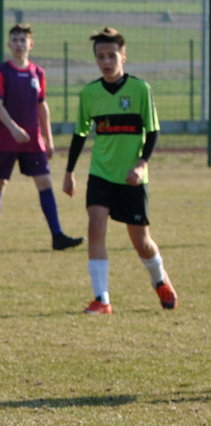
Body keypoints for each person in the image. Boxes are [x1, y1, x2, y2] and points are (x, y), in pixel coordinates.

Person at [63, 27, 175, 315]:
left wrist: (141, 164)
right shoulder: (89, 93)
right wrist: (69, 172)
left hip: (131, 178)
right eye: (101, 56)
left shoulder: (140, 89)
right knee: (95, 226)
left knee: (142, 243)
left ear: (123, 57)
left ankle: (160, 279)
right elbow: (80, 134)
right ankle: (102, 299)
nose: (106, 61)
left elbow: (153, 131)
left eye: (112, 55)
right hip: (101, 173)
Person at [0, 23, 82, 253]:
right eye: (15, 40)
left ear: (31, 44)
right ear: (9, 44)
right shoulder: (2, 72)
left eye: (23, 40)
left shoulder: (38, 73)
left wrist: (49, 139)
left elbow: (42, 106)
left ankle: (57, 236)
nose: (19, 44)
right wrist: (13, 128)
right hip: (5, 139)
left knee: (45, 182)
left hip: (32, 141)